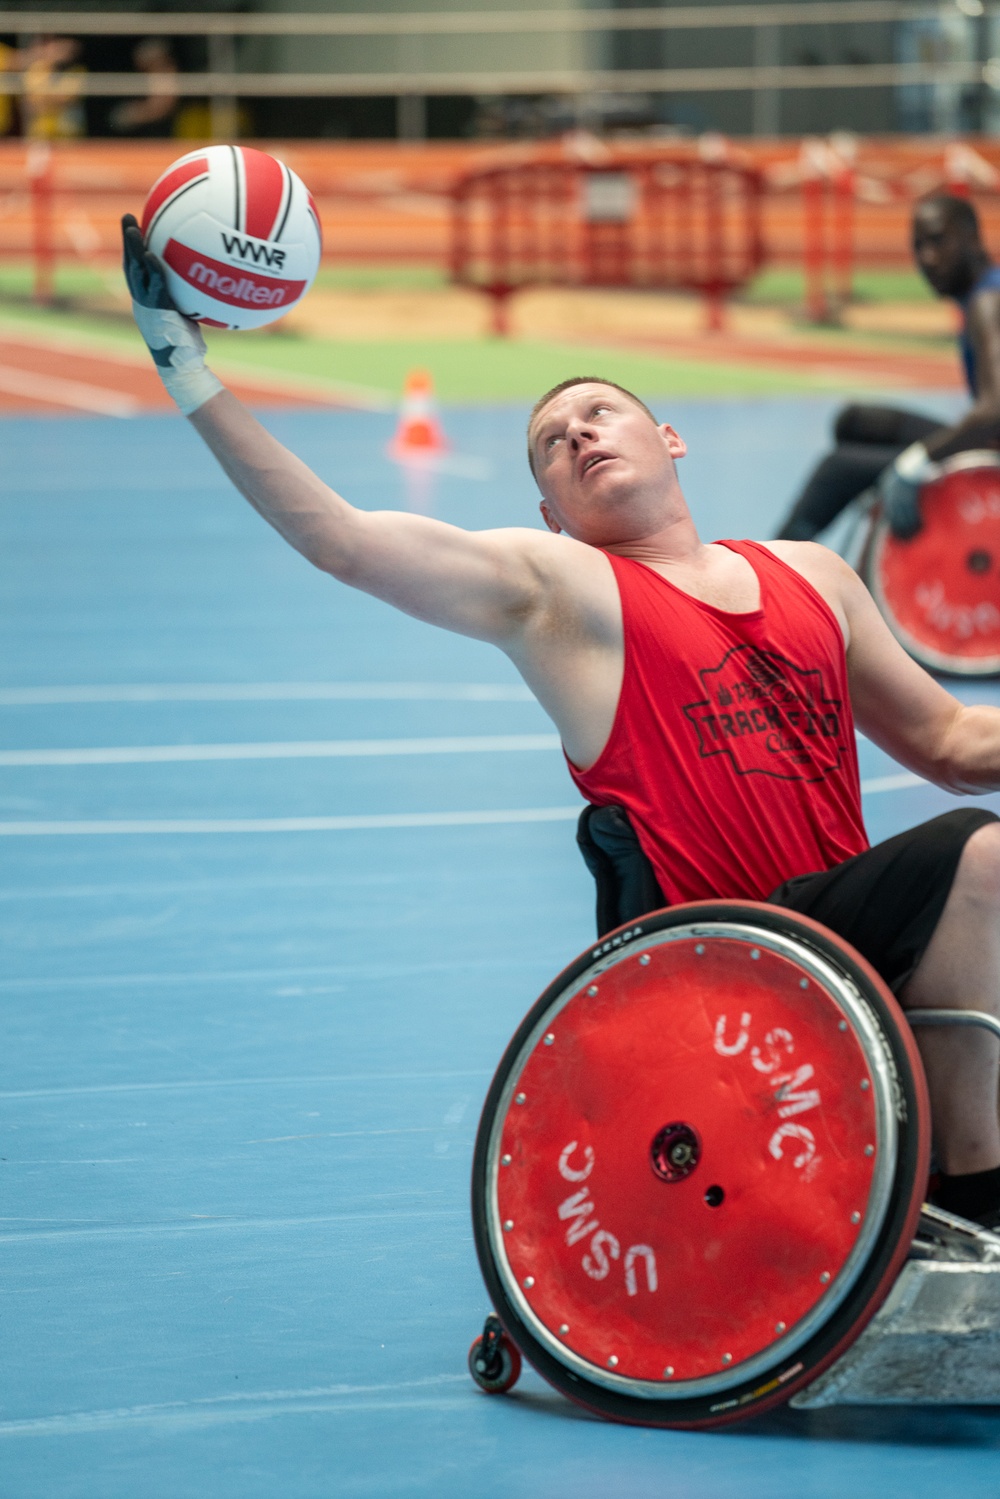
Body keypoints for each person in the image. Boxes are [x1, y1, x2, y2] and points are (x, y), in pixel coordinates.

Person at [121, 214, 1000, 1229]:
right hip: (720, 946)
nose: (578, 432)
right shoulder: (562, 592)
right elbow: (344, 543)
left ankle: (926, 1183)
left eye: (598, 413)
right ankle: (971, 1208)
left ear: (667, 438)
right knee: (980, 858)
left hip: (845, 941)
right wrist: (183, 366)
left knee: (976, 870)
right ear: (549, 512)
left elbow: (948, 744)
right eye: (552, 440)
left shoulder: (813, 574)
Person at [775, 193, 1000, 542]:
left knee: (838, 468)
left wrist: (918, 461)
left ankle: (769, 572)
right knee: (854, 422)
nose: (927, 258)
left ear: (972, 237)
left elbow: (995, 409)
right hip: (990, 443)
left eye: (939, 241)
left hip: (992, 454)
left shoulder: (989, 302)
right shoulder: (981, 296)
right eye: (918, 246)